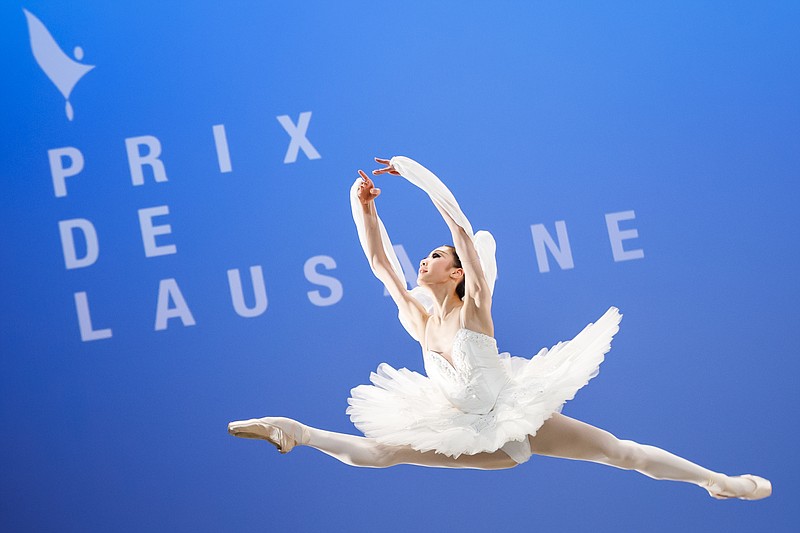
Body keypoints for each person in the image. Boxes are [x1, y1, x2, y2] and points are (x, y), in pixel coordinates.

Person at [228, 156, 771, 500]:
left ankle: (718, 483)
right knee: (385, 452)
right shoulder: (418, 319)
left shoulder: (474, 308)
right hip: (469, 431)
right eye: (427, 255)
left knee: (621, 453)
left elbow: (460, 228)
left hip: (516, 414)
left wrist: (416, 175)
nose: (424, 261)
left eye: (435, 256)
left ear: (458, 272)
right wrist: (362, 206)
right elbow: (379, 264)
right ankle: (296, 431)